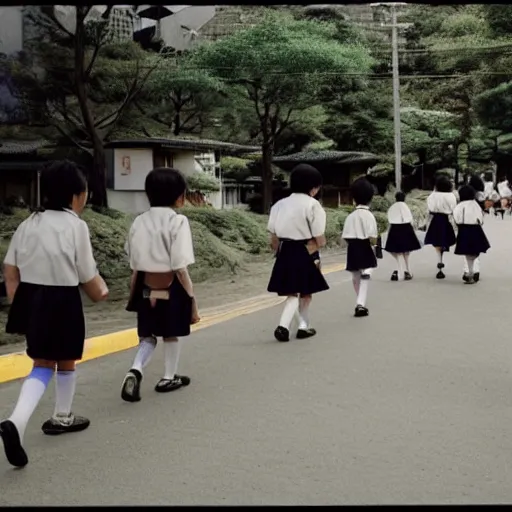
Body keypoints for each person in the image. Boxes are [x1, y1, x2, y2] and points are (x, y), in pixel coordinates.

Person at [0, 160, 108, 468]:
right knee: (67, 360)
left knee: (41, 364)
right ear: (76, 196)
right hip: (62, 298)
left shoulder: (28, 223)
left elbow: (10, 269)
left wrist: (18, 300)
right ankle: (61, 416)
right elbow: (87, 273)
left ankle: (17, 421)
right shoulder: (76, 226)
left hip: (32, 297)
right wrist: (101, 292)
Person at [121, 167, 199, 402]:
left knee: (148, 336)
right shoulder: (178, 222)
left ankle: (135, 369)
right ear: (179, 196)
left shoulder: (139, 221)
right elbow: (180, 267)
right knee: (171, 334)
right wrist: (192, 299)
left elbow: (133, 261)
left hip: (145, 287)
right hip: (170, 286)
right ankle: (168, 376)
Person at [267, 164, 329, 342]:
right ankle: (293, 326)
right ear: (313, 187)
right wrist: (318, 249)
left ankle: (298, 325)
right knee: (305, 291)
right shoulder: (313, 205)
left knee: (291, 291)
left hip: (284, 249)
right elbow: (319, 236)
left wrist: (278, 252)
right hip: (305, 249)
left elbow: (273, 237)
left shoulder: (279, 205)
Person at [342, 177, 379, 318]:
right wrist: (375, 247)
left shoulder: (350, 216)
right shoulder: (369, 215)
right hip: (365, 246)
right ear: (370, 198)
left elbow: (345, 236)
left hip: (352, 247)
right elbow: (373, 236)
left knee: (355, 275)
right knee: (366, 273)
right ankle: (360, 303)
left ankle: (360, 301)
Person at [453, 185, 491, 284]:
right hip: (476, 229)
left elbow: (456, 217)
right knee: (474, 252)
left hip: (464, 229)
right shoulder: (476, 205)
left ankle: (469, 272)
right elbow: (481, 218)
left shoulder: (460, 205)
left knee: (467, 253)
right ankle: (473, 271)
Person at [424, 175, 458, 279]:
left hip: (435, 219)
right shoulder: (451, 196)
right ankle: (442, 256)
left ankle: (439, 261)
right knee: (445, 239)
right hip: (446, 219)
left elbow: (429, 209)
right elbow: (454, 209)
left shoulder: (432, 196)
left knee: (436, 242)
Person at [384, 191, 422, 281]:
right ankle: (407, 271)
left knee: (396, 251)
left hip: (395, 228)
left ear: (395, 198)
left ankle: (400, 270)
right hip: (406, 228)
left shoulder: (392, 207)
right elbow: (410, 219)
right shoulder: (405, 207)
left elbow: (389, 218)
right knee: (406, 251)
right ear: (404, 198)